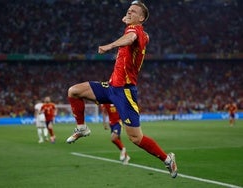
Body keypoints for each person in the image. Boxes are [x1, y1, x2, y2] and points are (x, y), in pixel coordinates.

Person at [66, 1, 177, 178]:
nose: (129, 12)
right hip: (111, 87)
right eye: (128, 11)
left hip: (125, 92)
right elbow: (135, 37)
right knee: (74, 91)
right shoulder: (138, 32)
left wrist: (110, 46)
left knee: (135, 138)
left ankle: (167, 159)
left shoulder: (136, 32)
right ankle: (81, 128)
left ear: (141, 18)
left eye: (133, 11)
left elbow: (130, 38)